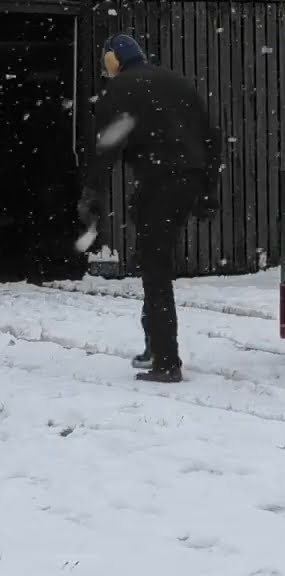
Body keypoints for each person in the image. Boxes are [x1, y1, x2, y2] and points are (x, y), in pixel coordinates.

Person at [78, 33, 221, 383]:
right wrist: (207, 190)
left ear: (113, 61)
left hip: (160, 183)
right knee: (154, 255)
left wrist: (92, 192)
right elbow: (211, 137)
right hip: (186, 182)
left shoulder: (121, 88)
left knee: (154, 267)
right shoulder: (177, 82)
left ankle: (166, 360)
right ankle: (154, 345)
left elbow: (107, 146)